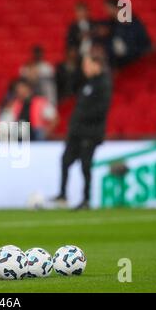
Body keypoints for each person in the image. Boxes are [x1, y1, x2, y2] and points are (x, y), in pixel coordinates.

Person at [53, 54, 112, 209]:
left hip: (90, 133)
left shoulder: (103, 83)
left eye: (87, 65)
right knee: (65, 160)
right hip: (77, 132)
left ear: (96, 65)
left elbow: (101, 110)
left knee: (86, 165)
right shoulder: (88, 84)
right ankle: (62, 195)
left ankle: (86, 198)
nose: (84, 68)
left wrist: (82, 118)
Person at [102, 0, 152, 67]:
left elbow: (142, 40)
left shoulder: (132, 21)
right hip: (120, 60)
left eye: (108, 8)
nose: (106, 11)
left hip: (136, 56)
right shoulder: (112, 24)